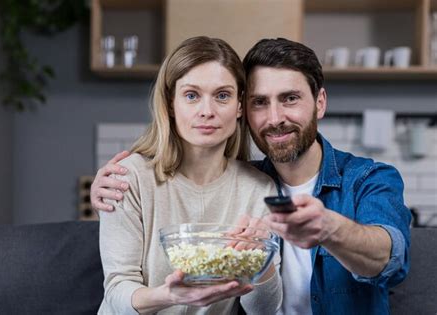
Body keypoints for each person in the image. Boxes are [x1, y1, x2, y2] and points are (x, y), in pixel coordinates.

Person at [92, 37, 411, 314]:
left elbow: (390, 258)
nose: (275, 118)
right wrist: (107, 189)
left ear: (319, 103)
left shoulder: (367, 178)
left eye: (290, 98)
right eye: (260, 102)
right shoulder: (254, 181)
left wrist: (330, 228)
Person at [96, 36, 282, 315]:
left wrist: (261, 262)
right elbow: (117, 292)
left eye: (222, 95)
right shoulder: (127, 178)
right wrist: (167, 296)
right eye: (191, 95)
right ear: (171, 103)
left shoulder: (258, 189)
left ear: (240, 106)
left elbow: (264, 310)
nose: (207, 111)